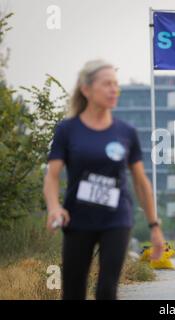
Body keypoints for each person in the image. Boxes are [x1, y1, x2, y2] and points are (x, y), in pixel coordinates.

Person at [43, 60, 165, 300]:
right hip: (78, 218)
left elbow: (141, 183)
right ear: (87, 89)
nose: (114, 90)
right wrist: (54, 207)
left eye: (116, 84)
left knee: (107, 290)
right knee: (73, 291)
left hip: (116, 218)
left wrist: (154, 227)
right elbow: (52, 175)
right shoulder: (67, 130)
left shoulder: (125, 132)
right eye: (107, 84)